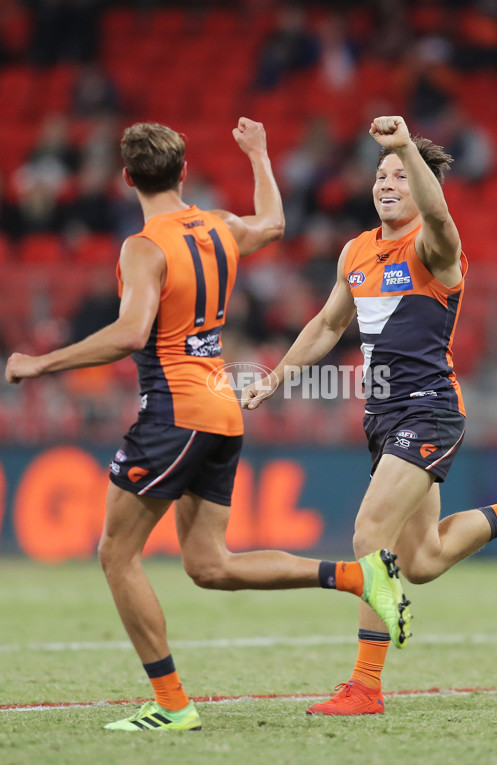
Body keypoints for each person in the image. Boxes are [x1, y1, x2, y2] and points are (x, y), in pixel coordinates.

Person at [4, 117, 410, 731]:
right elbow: (273, 224)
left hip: (175, 412)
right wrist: (260, 154)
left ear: (125, 180)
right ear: (184, 171)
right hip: (221, 407)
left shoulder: (142, 247)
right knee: (209, 565)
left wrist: (42, 363)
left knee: (116, 554)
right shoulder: (217, 225)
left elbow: (132, 333)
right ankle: (359, 575)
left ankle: (171, 704)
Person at [242, 115, 497, 716]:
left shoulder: (435, 247)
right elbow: (328, 325)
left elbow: (442, 220)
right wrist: (277, 378)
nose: (388, 182)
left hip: (427, 409)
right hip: (382, 413)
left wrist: (404, 144)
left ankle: (365, 687)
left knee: (366, 535)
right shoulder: (356, 250)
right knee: (422, 560)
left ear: (423, 184)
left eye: (402, 175)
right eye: (382, 173)